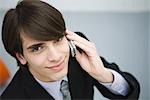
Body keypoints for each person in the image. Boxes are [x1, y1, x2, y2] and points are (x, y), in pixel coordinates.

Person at [0, 0, 140, 99]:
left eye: (58, 39)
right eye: (37, 48)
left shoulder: (77, 51)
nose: (56, 56)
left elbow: (128, 93)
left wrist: (102, 74)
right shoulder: (13, 96)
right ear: (21, 57)